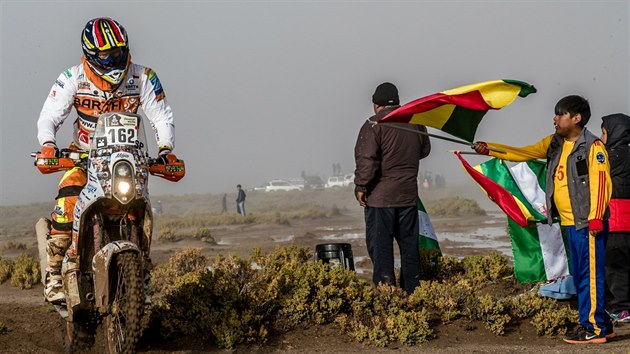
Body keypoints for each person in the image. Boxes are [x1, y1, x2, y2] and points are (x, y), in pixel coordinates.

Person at [36, 18, 177, 304]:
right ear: (90, 55)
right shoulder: (73, 78)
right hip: (85, 156)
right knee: (67, 202)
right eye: (106, 56)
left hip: (128, 158)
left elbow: (161, 116)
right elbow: (49, 116)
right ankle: (53, 274)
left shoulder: (143, 77)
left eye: (120, 52)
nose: (115, 59)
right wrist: (49, 145)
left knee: (141, 208)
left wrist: (165, 150)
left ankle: (142, 269)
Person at [472, 95, 614, 343]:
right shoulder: (554, 143)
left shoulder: (593, 147)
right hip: (570, 224)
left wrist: (595, 218)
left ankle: (594, 329)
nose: (555, 119)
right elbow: (523, 152)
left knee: (589, 276)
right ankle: (602, 323)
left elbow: (601, 184)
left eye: (560, 114)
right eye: (556, 114)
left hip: (588, 224)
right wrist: (489, 148)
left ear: (576, 118)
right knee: (581, 276)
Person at [354, 82, 431, 294]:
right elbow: (424, 150)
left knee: (381, 248)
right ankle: (412, 291)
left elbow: (366, 159)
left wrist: (361, 186)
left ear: (376, 105)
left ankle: (387, 292)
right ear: (397, 101)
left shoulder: (373, 124)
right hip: (407, 196)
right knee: (409, 247)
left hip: (380, 199)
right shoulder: (415, 122)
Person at [600, 113, 630, 323]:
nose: (602, 137)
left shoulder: (612, 156)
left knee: (615, 266)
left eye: (604, 132)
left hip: (617, 219)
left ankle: (622, 309)